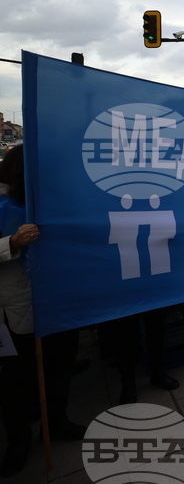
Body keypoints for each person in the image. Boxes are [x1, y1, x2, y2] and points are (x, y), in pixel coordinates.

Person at [0, 145, 86, 478]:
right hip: (16, 310)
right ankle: (18, 441)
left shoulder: (56, 201)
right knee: (16, 380)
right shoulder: (5, 206)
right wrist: (13, 242)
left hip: (60, 300)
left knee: (60, 364)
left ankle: (57, 420)